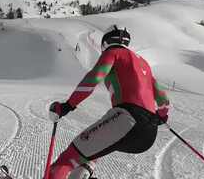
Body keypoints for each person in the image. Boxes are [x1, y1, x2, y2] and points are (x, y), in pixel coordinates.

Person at [48, 25, 170, 179]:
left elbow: (93, 79)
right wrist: (162, 116)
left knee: (66, 160)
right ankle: (83, 172)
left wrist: (67, 106)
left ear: (105, 43)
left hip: (127, 118)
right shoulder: (143, 63)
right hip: (148, 134)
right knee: (94, 148)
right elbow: (163, 99)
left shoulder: (113, 53)